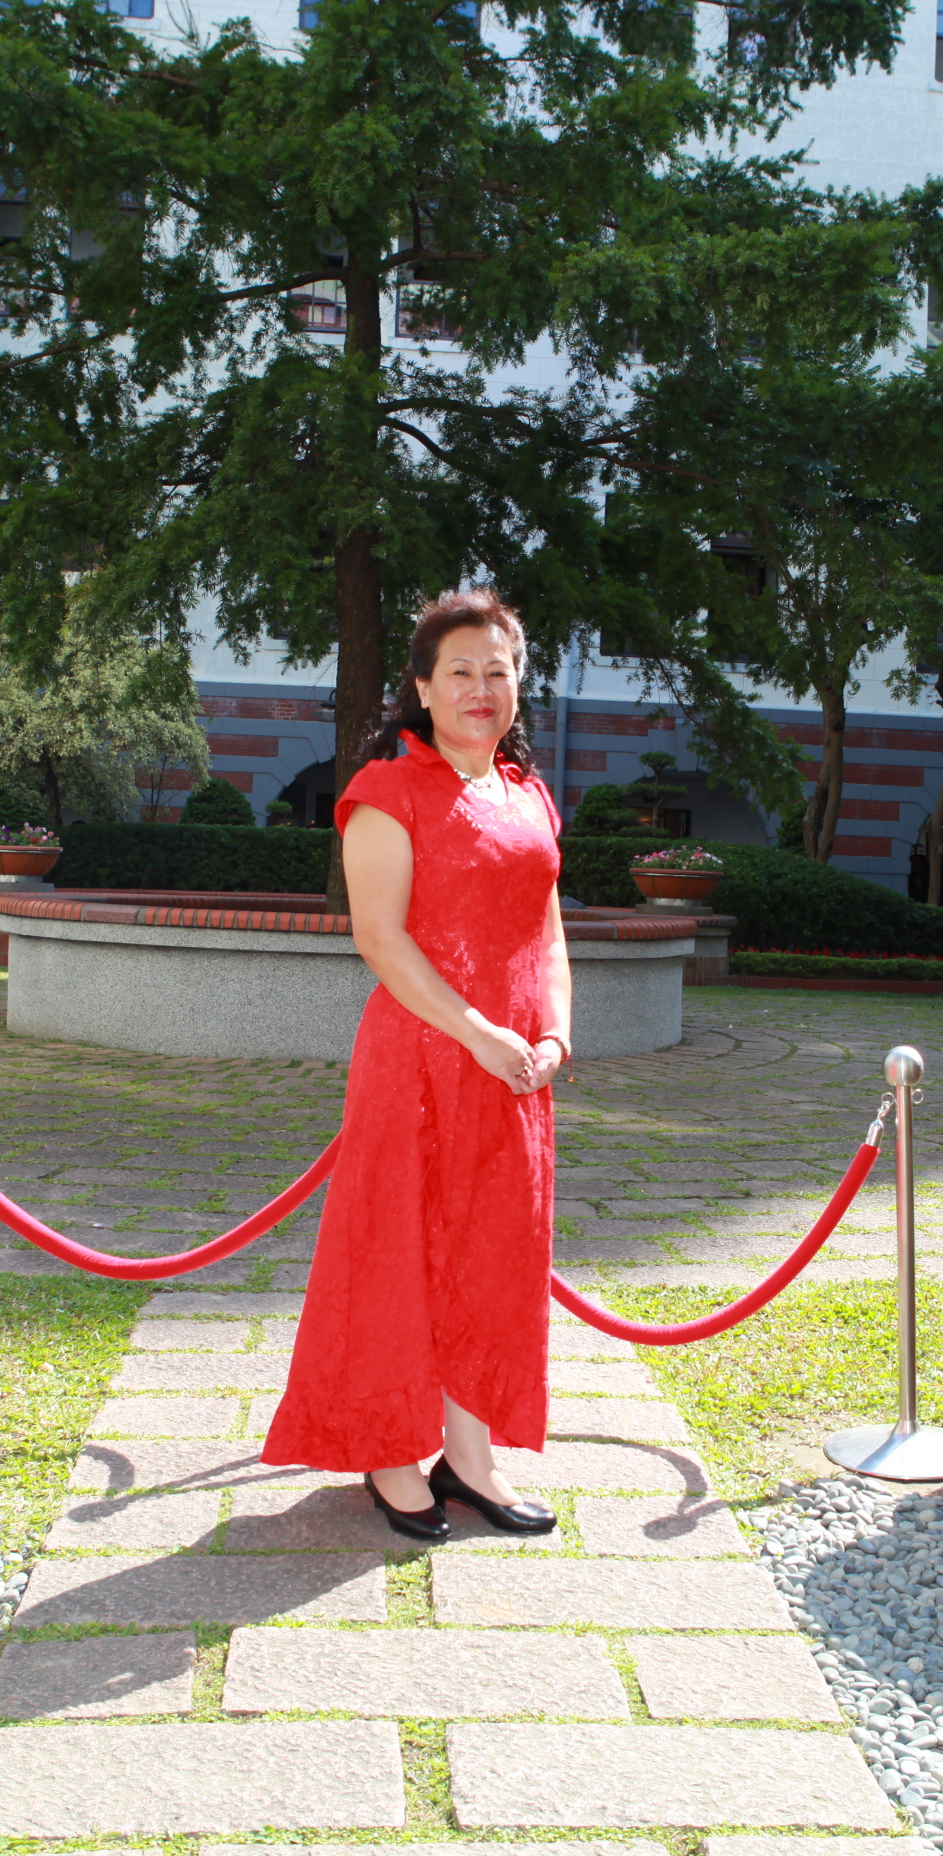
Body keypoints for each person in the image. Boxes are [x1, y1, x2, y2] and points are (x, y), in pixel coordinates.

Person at [259, 590, 570, 1542]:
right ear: (423, 689)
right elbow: (381, 939)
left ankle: (469, 1459)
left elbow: (548, 934)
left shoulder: (527, 795)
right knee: (396, 1250)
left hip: (514, 1073)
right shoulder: (387, 791)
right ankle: (390, 1453)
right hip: (423, 1061)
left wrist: (554, 1035)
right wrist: (480, 1033)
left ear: (518, 686)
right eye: (460, 671)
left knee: (496, 1256)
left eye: (498, 671)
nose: (481, 688)